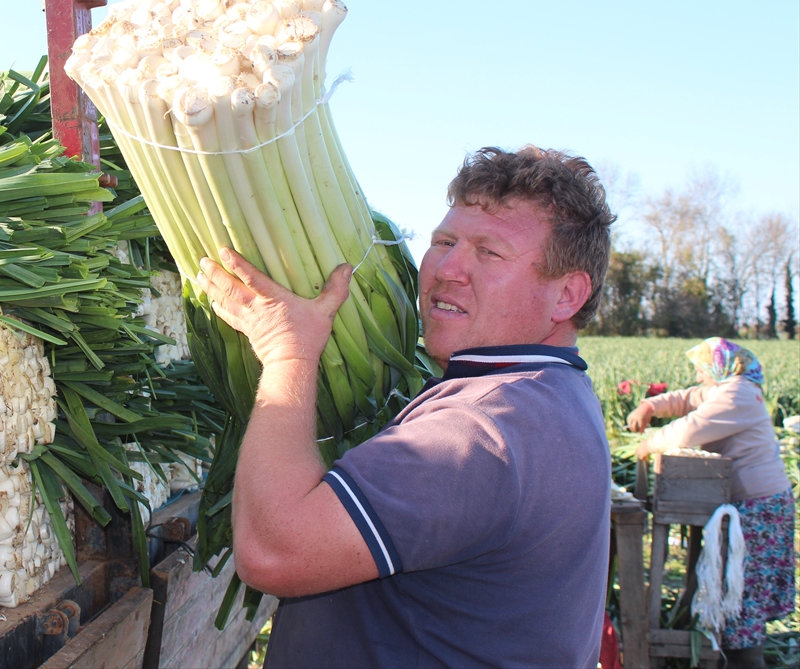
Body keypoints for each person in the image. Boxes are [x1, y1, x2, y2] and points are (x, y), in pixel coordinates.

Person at [196, 146, 616, 668]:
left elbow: (271, 551)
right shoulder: (553, 394)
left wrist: (287, 353)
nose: (447, 269)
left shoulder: (485, 428)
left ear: (567, 296)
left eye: (490, 253)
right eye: (444, 241)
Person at [627, 338, 795, 669]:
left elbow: (693, 427)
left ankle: (747, 660)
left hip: (760, 509)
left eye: (702, 368)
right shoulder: (727, 388)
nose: (699, 375)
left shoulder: (738, 394)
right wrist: (651, 406)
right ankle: (737, 654)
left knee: (743, 592)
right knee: (739, 592)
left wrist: (649, 444)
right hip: (753, 504)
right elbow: (688, 398)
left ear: (720, 366)